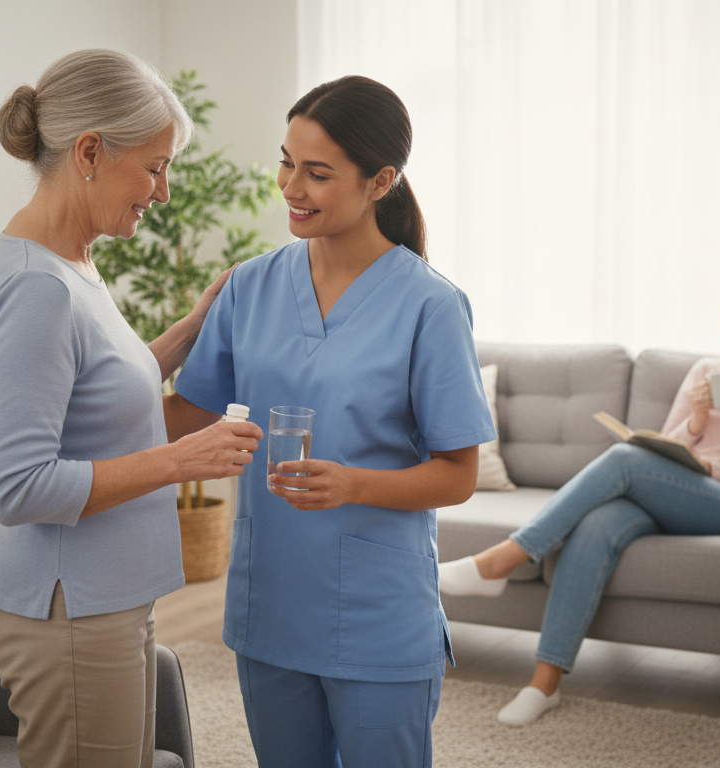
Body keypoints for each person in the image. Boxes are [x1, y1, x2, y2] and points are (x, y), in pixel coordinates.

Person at [169, 76, 496, 768]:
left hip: (376, 615)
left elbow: (457, 475)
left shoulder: (429, 306)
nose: (291, 186)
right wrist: (78, 402)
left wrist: (353, 484)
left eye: (317, 173)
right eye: (286, 161)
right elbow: (183, 415)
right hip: (270, 604)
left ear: (381, 181)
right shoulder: (249, 286)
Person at [0, 49, 263, 768]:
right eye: (155, 167)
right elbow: (17, 487)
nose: (163, 193)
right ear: (91, 152)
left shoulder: (71, 261)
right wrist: (178, 461)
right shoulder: (40, 288)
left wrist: (191, 329)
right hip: (68, 608)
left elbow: (100, 388)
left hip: (98, 597)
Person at [439, 270, 720, 726]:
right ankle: (543, 684)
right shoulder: (707, 372)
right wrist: (698, 421)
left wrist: (708, 467)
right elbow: (666, 443)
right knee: (597, 525)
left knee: (625, 459)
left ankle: (504, 559)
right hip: (678, 493)